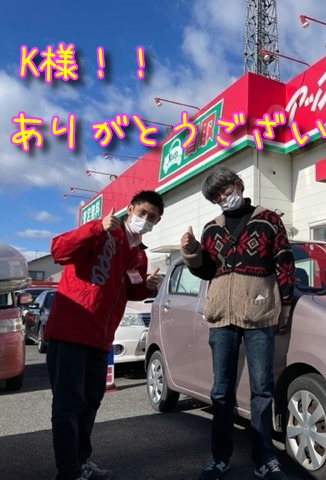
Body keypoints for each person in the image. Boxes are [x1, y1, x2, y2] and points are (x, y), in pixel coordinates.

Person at [180, 166, 294, 480]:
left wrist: (285, 303)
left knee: (262, 389)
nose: (223, 197)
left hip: (259, 313)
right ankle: (219, 459)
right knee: (221, 391)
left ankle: (265, 459)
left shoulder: (269, 219)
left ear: (238, 184)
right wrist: (191, 251)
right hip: (221, 316)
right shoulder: (211, 228)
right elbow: (206, 271)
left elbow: (284, 262)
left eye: (225, 190)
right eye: (216, 196)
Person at [45, 190, 164, 480]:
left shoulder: (139, 254)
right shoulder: (104, 231)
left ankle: (81, 462)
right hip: (71, 332)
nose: (146, 220)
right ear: (130, 208)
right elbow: (58, 250)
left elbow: (129, 291)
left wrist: (147, 286)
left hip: (101, 338)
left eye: (153, 217)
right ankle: (68, 472)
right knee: (68, 405)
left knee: (90, 403)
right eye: (143, 213)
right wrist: (97, 227)